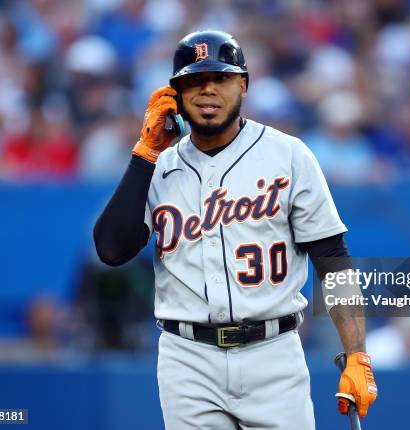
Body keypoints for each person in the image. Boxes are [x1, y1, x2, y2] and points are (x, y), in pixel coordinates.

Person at [94, 30, 377, 429]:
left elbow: (333, 259)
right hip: (187, 358)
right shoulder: (157, 166)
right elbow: (111, 249)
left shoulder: (288, 155)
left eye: (221, 78)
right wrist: (145, 154)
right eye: (194, 79)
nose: (208, 90)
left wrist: (356, 353)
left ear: (243, 85)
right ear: (173, 94)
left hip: (273, 353)